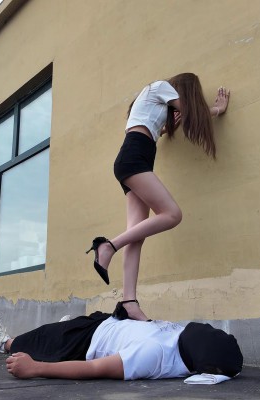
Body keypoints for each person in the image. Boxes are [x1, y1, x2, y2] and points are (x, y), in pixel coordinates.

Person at [87, 73, 231, 321]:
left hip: (134, 158)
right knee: (172, 214)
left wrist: (169, 124)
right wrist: (217, 109)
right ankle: (108, 246)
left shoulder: (152, 104)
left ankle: (129, 302)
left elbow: (158, 129)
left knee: (137, 235)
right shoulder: (160, 87)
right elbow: (193, 114)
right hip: (134, 158)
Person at [0, 313, 243, 381]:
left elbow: (95, 368)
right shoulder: (185, 338)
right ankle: (66, 325)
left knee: (39, 339)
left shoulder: (154, 355)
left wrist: (35, 368)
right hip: (107, 322)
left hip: (87, 342)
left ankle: (5, 343)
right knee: (58, 329)